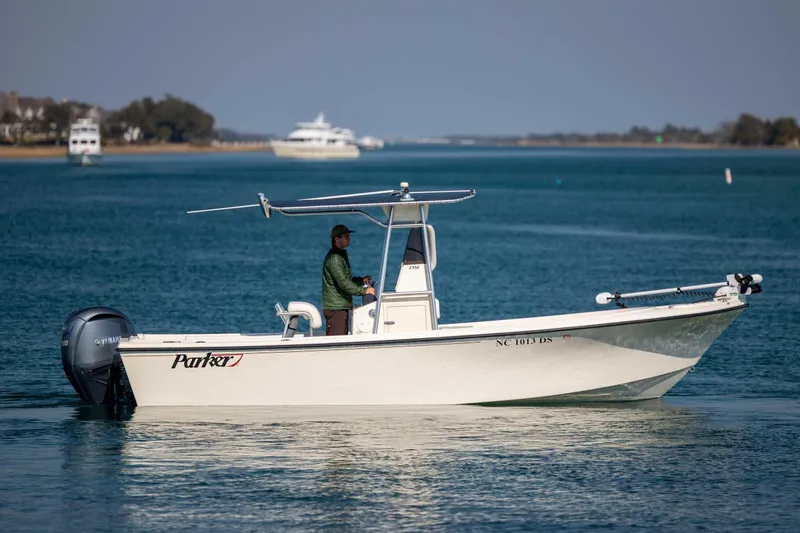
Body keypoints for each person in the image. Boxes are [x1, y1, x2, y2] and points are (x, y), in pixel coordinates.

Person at [322, 224, 375, 336]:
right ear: (337, 239)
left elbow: (346, 279)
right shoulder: (335, 259)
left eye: (348, 236)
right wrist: (364, 291)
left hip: (340, 307)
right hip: (336, 308)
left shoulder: (340, 255)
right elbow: (344, 283)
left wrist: (361, 281)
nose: (349, 239)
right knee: (336, 343)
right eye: (346, 236)